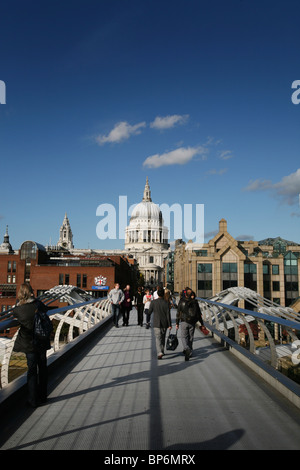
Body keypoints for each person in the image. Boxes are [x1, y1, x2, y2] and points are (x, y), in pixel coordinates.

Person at [13, 283, 52, 408]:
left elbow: (16, 316)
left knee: (32, 370)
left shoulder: (18, 310)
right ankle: (43, 396)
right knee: (43, 368)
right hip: (41, 341)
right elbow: (46, 310)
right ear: (31, 292)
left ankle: (33, 400)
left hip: (28, 343)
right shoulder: (38, 305)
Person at [176, 288, 204, 361]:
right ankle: (190, 351)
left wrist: (177, 323)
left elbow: (178, 312)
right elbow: (198, 314)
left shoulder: (182, 301)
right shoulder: (195, 302)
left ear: (185, 294)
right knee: (191, 337)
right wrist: (202, 324)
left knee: (183, 336)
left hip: (184, 321)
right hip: (192, 322)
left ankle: (187, 348)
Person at [148, 287, 172, 359]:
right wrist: (170, 324)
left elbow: (149, 312)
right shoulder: (166, 303)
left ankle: (159, 352)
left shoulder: (153, 302)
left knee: (158, 338)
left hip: (156, 322)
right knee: (163, 337)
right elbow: (168, 314)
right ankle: (162, 350)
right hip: (164, 323)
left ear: (157, 294)